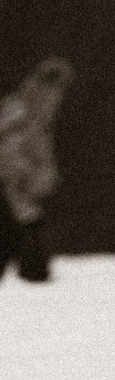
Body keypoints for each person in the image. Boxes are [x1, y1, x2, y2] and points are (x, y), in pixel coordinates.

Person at [0, 57, 72, 283]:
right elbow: (7, 147)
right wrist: (24, 177)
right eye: (58, 87)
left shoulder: (36, 111)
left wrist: (43, 174)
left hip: (19, 189)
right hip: (12, 188)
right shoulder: (21, 110)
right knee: (27, 234)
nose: (60, 95)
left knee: (17, 236)